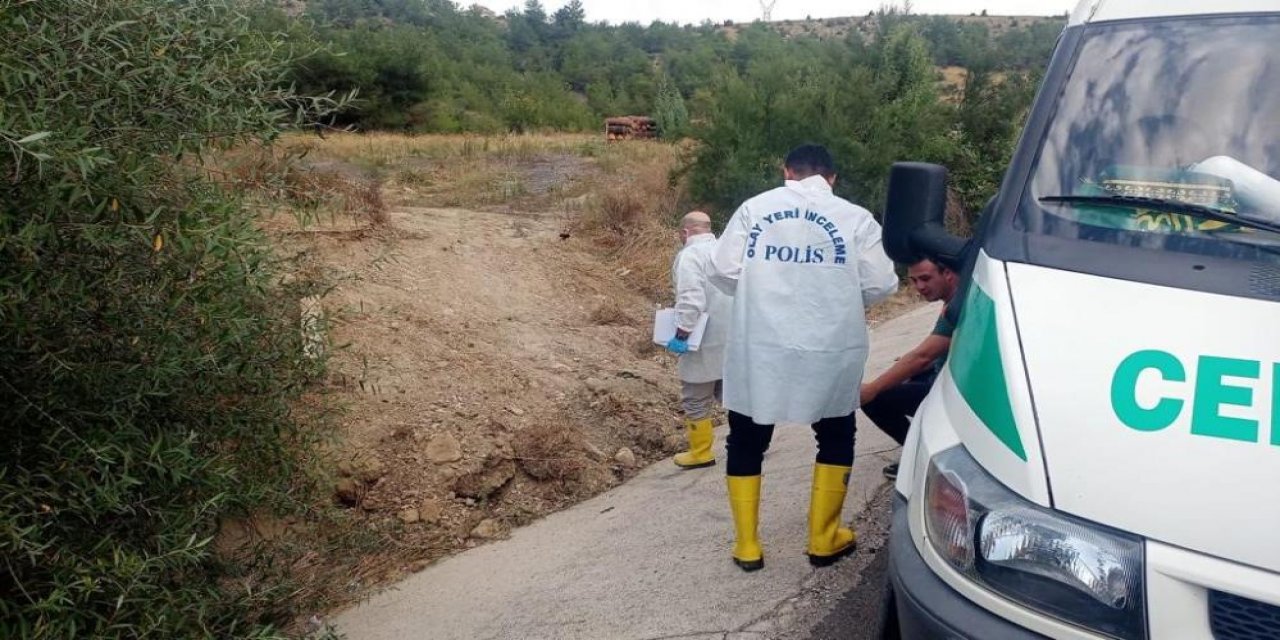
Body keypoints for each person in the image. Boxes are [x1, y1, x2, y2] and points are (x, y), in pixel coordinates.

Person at [711, 144, 897, 571]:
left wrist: (761, 292)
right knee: (834, 433)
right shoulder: (855, 217)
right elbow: (882, 283)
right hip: (828, 343)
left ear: (786, 171)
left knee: (746, 439)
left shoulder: (754, 209)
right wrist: (840, 295)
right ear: (832, 178)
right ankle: (823, 538)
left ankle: (747, 545)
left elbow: (721, 269)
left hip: (760, 344)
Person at [859, 257, 960, 480]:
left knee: (876, 398)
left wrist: (872, 389)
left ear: (948, 273)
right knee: (901, 374)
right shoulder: (955, 298)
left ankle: (919, 460)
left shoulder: (958, 306)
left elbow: (923, 356)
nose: (919, 287)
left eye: (925, 278)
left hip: (953, 392)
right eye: (913, 280)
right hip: (943, 375)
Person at [664, 211, 733, 469]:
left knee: (695, 397)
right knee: (734, 395)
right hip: (735, 337)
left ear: (685, 233)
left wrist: (681, 333)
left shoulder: (690, 256)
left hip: (702, 340)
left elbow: (691, 299)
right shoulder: (727, 251)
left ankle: (701, 452)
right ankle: (753, 443)